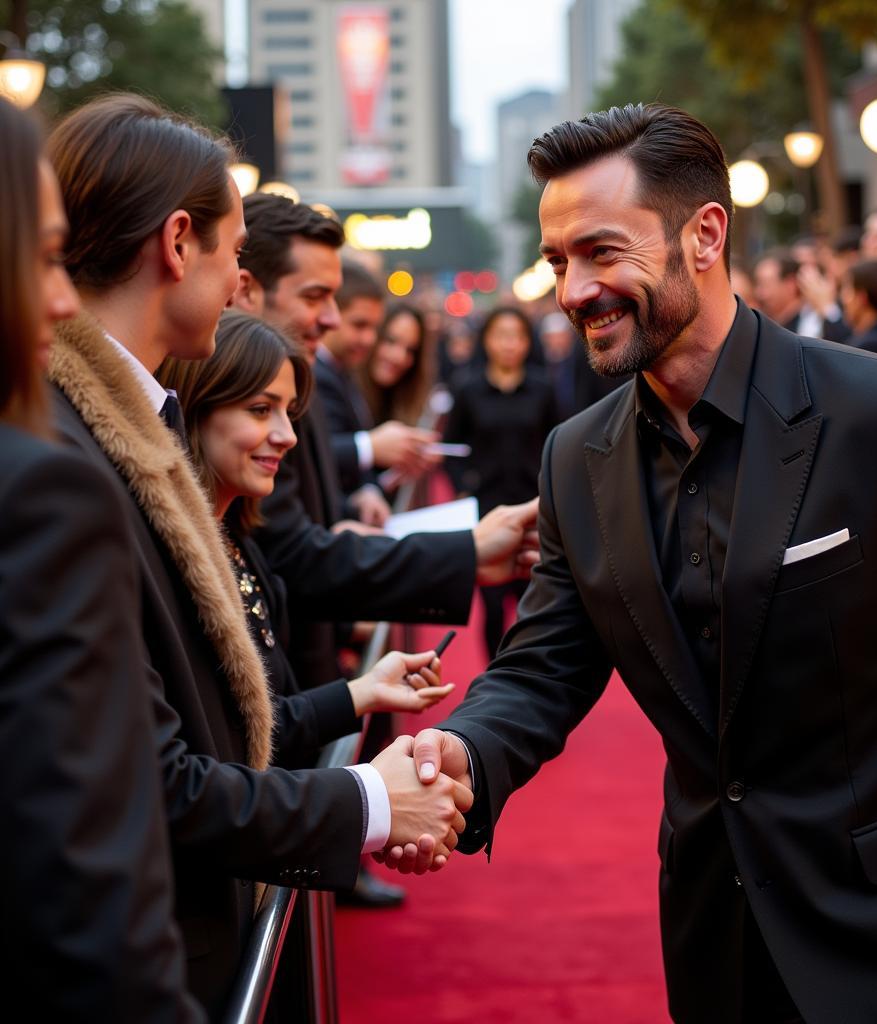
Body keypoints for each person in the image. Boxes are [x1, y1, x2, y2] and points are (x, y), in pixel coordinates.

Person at [390, 104, 877, 1024]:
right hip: (711, 939)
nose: (572, 291)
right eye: (557, 260)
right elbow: (545, 662)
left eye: (602, 253)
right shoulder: (577, 455)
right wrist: (468, 752)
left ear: (705, 235)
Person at [44, 93, 472, 1016]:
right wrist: (367, 796)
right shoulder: (67, 457)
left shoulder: (119, 431)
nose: (243, 283)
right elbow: (150, 783)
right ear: (177, 243)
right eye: (238, 254)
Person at [0, 96, 202, 1021]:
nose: (57, 295)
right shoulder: (44, 489)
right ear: (178, 240)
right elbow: (94, 903)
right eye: (39, 258)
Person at [236, 195, 540, 693]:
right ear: (246, 291)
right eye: (315, 297)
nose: (332, 320)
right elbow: (294, 556)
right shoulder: (247, 391)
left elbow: (302, 534)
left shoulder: (295, 377)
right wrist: (465, 552)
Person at [158, 309, 456, 763]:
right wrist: (368, 799)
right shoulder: (167, 561)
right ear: (197, 409)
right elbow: (209, 768)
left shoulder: (240, 542)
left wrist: (365, 691)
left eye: (289, 413)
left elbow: (265, 724)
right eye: (261, 409)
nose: (286, 436)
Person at [444, 307, 560, 657]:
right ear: (487, 340)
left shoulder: (543, 388)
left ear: (528, 342)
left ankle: (530, 670)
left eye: (518, 336)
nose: (510, 344)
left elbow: (560, 440)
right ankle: (493, 673)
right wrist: (462, 484)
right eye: (501, 335)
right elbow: (453, 445)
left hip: (533, 505)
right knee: (492, 605)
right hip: (486, 505)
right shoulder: (468, 388)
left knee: (534, 601)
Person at [313, 261, 439, 501]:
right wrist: (371, 447)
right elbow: (307, 457)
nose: (369, 339)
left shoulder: (342, 375)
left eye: (410, 349)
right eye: (390, 340)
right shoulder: (324, 374)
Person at [360, 302, 436, 429]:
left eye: (410, 350)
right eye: (391, 341)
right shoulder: (344, 392)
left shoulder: (403, 400)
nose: (399, 357)